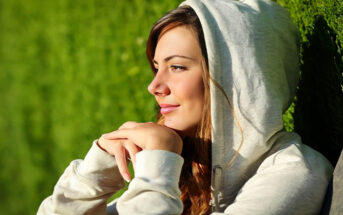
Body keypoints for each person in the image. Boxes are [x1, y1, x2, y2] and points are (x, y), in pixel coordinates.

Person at [37, 0, 334, 214]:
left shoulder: (294, 174)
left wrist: (157, 165)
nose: (154, 87)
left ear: (237, 79)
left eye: (177, 67)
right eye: (156, 68)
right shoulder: (187, 176)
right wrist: (94, 174)